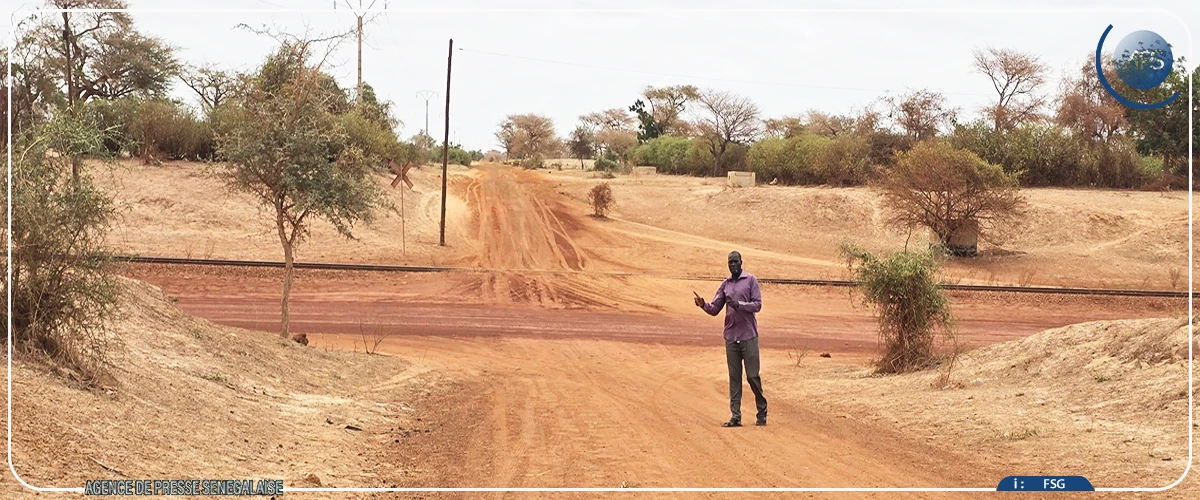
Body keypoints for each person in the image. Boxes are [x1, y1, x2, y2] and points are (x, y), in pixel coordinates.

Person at [694, 251, 767, 427]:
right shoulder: (725, 285)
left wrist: (739, 305)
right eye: (730, 262)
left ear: (741, 262)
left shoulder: (750, 280)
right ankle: (735, 416)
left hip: (748, 336)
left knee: (752, 376)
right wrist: (703, 304)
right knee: (734, 378)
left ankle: (762, 410)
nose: (733, 265)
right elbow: (714, 309)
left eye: (735, 261)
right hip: (731, 337)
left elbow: (757, 305)